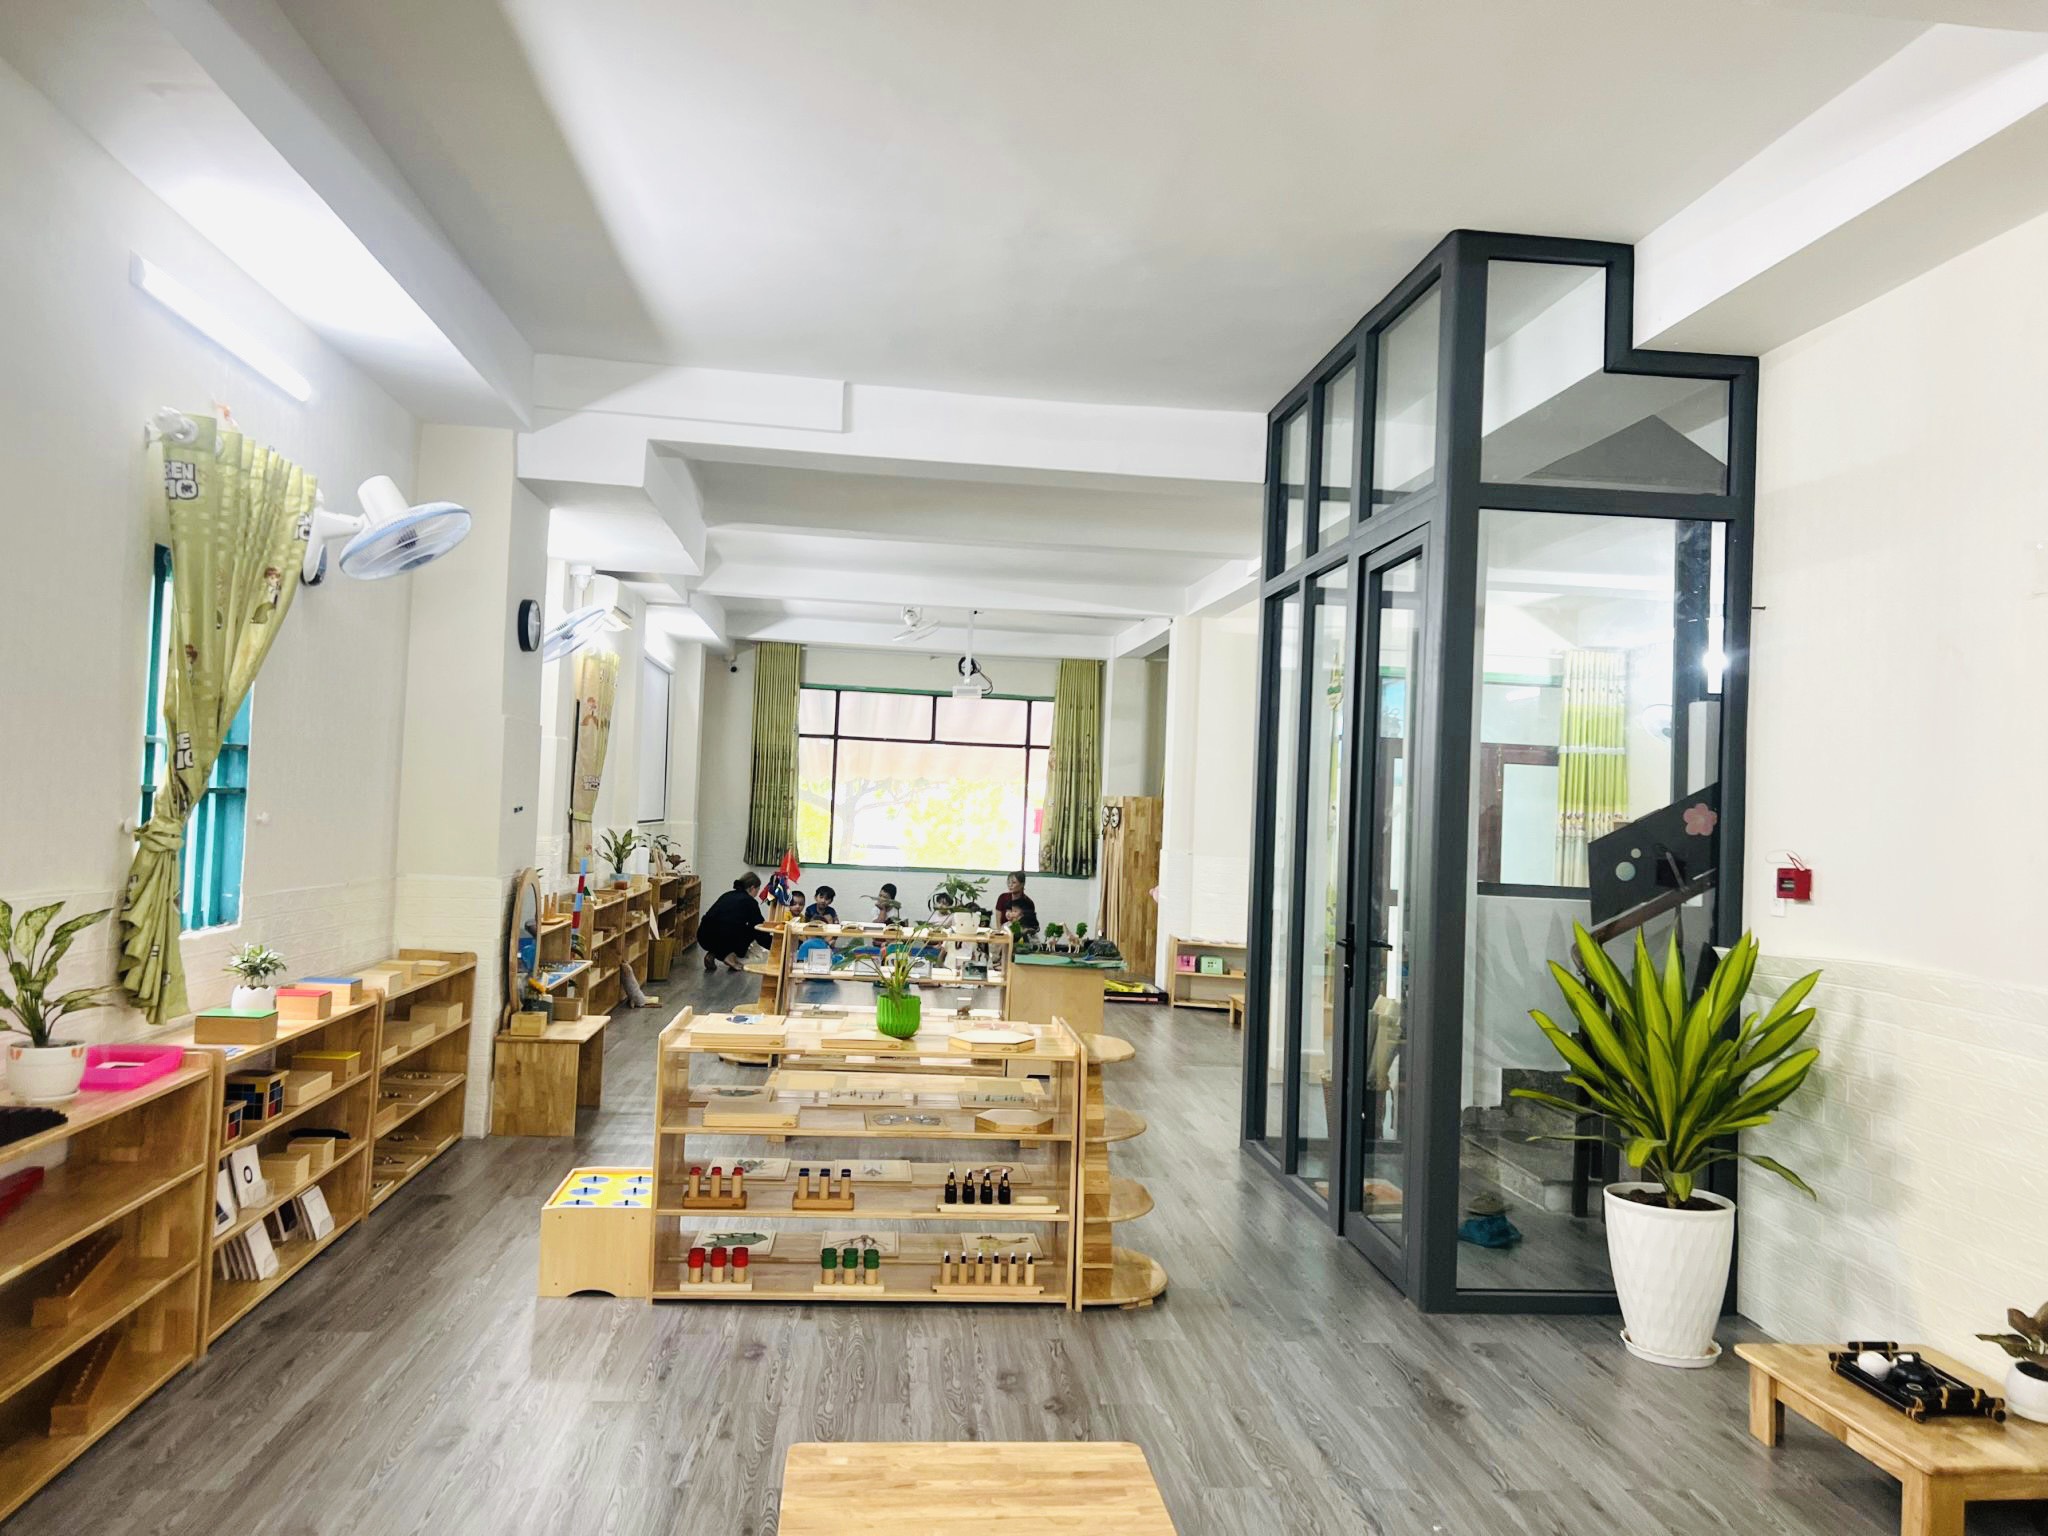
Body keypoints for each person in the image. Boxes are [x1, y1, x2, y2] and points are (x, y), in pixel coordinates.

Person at [700, 873, 763, 972]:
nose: (757, 894)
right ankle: (730, 957)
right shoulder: (750, 901)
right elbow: (759, 926)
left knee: (728, 927)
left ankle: (715, 953)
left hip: (703, 935)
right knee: (751, 930)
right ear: (752, 888)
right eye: (757, 890)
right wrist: (774, 945)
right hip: (721, 936)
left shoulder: (727, 894)